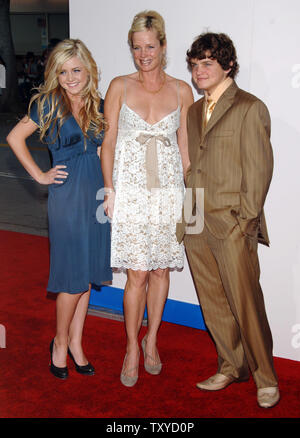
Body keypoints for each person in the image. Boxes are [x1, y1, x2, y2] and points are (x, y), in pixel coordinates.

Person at [176, 32, 279, 408]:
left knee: (246, 304)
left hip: (232, 224)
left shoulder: (250, 108)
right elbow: (195, 164)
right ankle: (231, 364)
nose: (199, 71)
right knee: (213, 303)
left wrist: (245, 223)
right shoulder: (192, 111)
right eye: (195, 64)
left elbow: (259, 171)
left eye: (207, 63)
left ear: (228, 66)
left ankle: (266, 378)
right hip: (195, 220)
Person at [7, 39, 112, 380]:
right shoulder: (48, 103)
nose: (70, 78)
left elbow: (102, 150)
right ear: (55, 73)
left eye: (76, 70)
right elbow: (14, 138)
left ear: (88, 70)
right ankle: (60, 342)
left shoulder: (98, 103)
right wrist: (40, 175)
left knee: (84, 280)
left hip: (95, 193)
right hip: (66, 197)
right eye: (63, 71)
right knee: (70, 279)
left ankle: (77, 343)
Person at [101, 10, 194, 387]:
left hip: (168, 193)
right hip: (132, 194)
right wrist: (109, 190)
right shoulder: (119, 86)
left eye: (150, 47)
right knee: (136, 273)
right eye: (137, 48)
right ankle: (130, 347)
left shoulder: (181, 91)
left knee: (159, 271)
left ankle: (152, 339)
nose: (144, 54)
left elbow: (186, 151)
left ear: (163, 46)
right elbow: (107, 143)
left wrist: (191, 202)